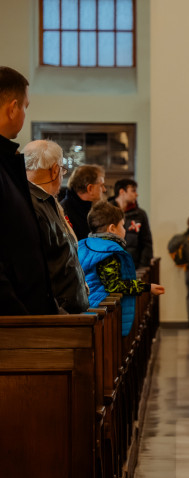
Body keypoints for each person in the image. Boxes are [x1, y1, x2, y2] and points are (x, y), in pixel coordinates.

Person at [0, 66, 56, 316]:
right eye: (25, 106)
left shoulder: (7, 161)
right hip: (14, 321)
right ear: (13, 108)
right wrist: (20, 317)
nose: (24, 113)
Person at [78, 201, 165, 335]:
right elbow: (114, 285)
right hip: (102, 311)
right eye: (123, 225)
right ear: (112, 229)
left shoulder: (85, 244)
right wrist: (147, 287)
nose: (125, 230)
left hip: (89, 306)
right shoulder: (107, 251)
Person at [23, 139, 89, 314]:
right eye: (62, 170)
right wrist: (58, 312)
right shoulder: (35, 204)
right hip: (57, 315)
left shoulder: (44, 201)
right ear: (55, 170)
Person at [111, 178, 153, 268]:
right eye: (133, 191)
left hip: (134, 266)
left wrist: (142, 266)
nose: (136, 194)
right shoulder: (107, 212)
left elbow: (147, 243)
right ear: (122, 192)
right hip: (112, 266)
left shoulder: (140, 214)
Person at [62, 164, 106, 241]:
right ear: (90, 188)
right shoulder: (64, 212)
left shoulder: (86, 208)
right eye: (101, 185)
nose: (104, 189)